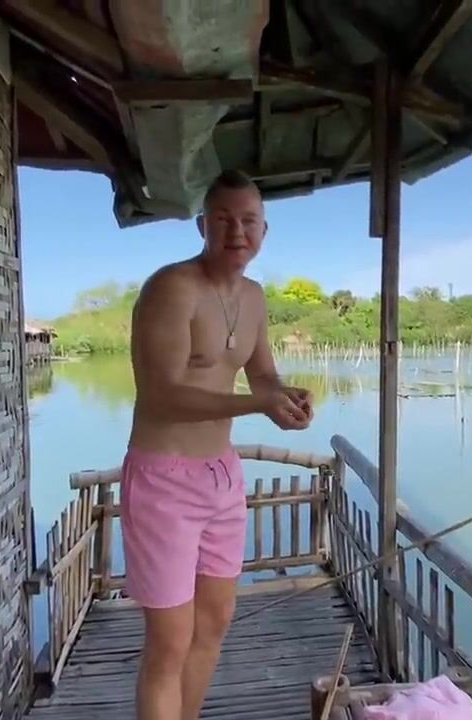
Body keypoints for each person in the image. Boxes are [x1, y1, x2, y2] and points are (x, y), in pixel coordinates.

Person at [123, 170, 313, 720]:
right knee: (169, 641)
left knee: (213, 624)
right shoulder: (171, 288)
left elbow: (262, 375)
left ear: (264, 231)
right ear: (203, 225)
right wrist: (257, 405)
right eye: (224, 220)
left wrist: (284, 396)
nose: (237, 232)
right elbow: (160, 396)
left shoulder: (254, 297)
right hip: (164, 479)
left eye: (249, 221)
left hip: (222, 477)